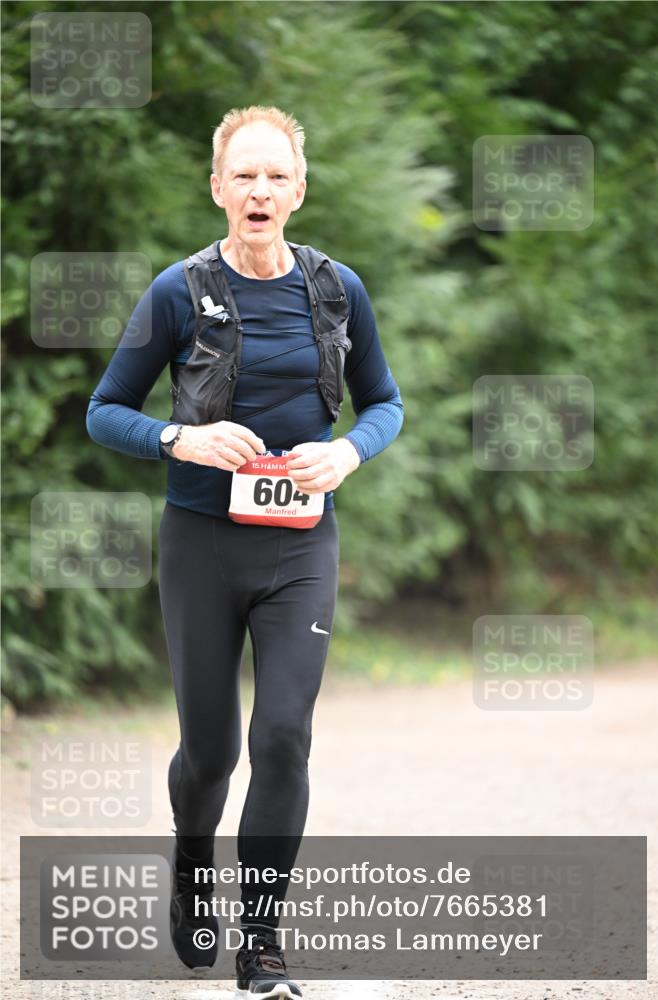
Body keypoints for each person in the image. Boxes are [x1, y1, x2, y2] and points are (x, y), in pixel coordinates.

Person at [86, 104, 404, 997]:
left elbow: (385, 402)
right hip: (199, 545)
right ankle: (192, 856)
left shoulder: (337, 289)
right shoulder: (177, 292)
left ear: (297, 191)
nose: (259, 191)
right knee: (212, 752)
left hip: (299, 546)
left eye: (276, 177)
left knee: (285, 739)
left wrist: (347, 451)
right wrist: (176, 441)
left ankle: (262, 941)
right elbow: (104, 409)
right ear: (218, 188)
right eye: (244, 176)